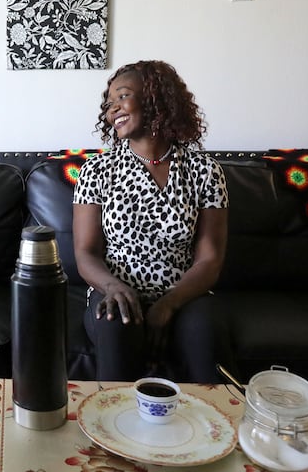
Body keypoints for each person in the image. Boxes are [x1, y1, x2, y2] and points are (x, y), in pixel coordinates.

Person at [72, 60, 232, 383]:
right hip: (114, 291)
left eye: (123, 97)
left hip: (186, 295)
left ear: (154, 98)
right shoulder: (97, 171)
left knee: (204, 333)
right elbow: (85, 253)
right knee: (116, 323)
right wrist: (114, 287)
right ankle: (110, 429)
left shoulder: (205, 171)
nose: (112, 109)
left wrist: (169, 304)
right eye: (108, 104)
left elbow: (210, 259)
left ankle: (215, 427)